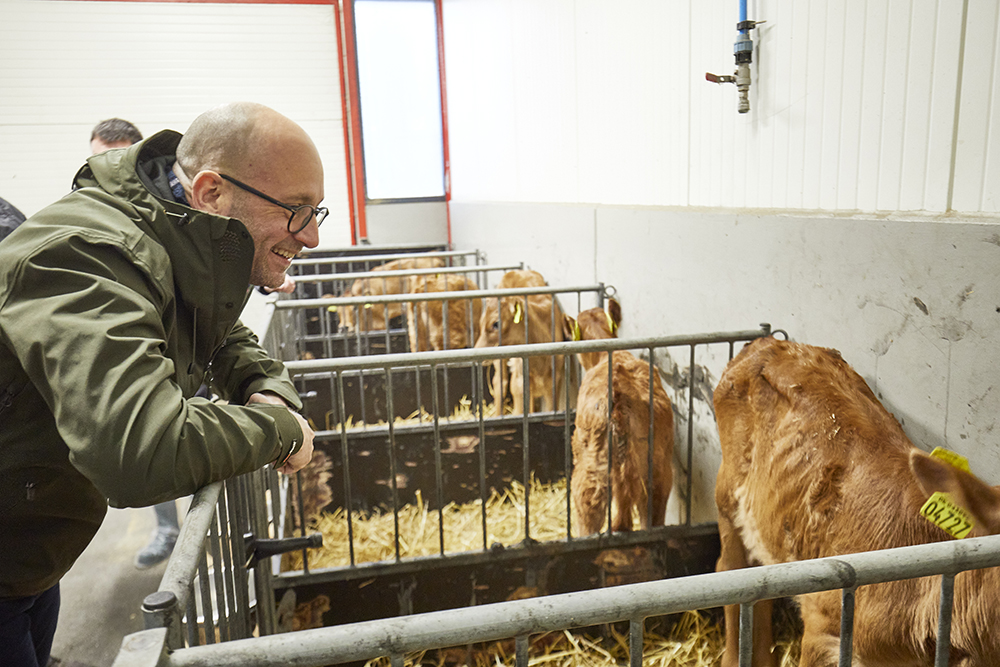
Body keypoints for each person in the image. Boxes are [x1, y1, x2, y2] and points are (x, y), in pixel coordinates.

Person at [0, 102, 321, 666]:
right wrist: (281, 430)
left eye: (317, 211)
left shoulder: (166, 237)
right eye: (296, 211)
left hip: (29, 546)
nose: (312, 236)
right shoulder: (86, 254)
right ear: (212, 193)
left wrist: (262, 383)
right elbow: (141, 451)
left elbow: (219, 328)